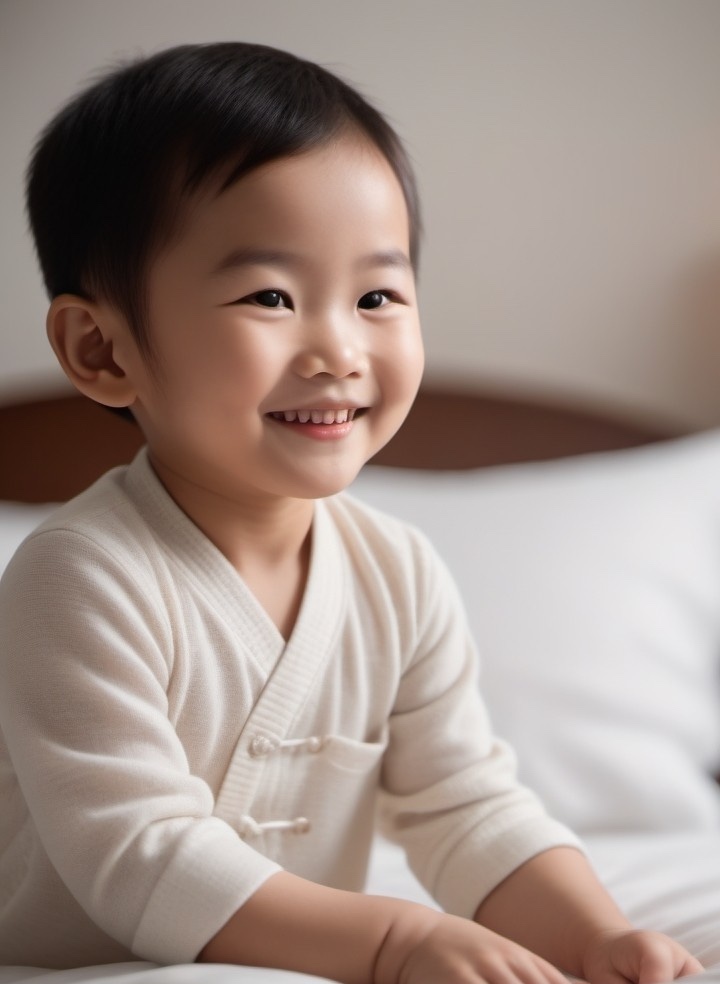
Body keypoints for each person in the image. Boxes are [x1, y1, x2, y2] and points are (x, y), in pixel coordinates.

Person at [0, 42, 703, 983]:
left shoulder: (397, 574)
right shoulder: (80, 574)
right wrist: (397, 939)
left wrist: (595, 938)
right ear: (102, 348)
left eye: (377, 294)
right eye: (270, 296)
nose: (338, 347)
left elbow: (468, 805)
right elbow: (140, 852)